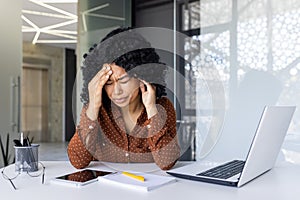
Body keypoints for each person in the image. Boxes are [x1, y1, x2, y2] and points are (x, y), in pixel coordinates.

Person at [67, 27, 180, 170]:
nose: (117, 91)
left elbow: (167, 162)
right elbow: (77, 161)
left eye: (124, 80)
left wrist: (151, 110)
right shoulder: (96, 110)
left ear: (141, 77)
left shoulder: (162, 108)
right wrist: (93, 108)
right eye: (109, 83)